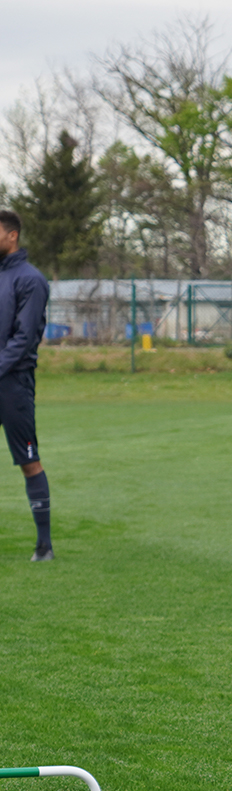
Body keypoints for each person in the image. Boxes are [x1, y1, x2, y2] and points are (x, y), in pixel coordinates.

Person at [0, 209, 52, 561]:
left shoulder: (31, 280)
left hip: (14, 385)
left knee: (28, 461)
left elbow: (25, 339)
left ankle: (44, 545)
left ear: (11, 235)